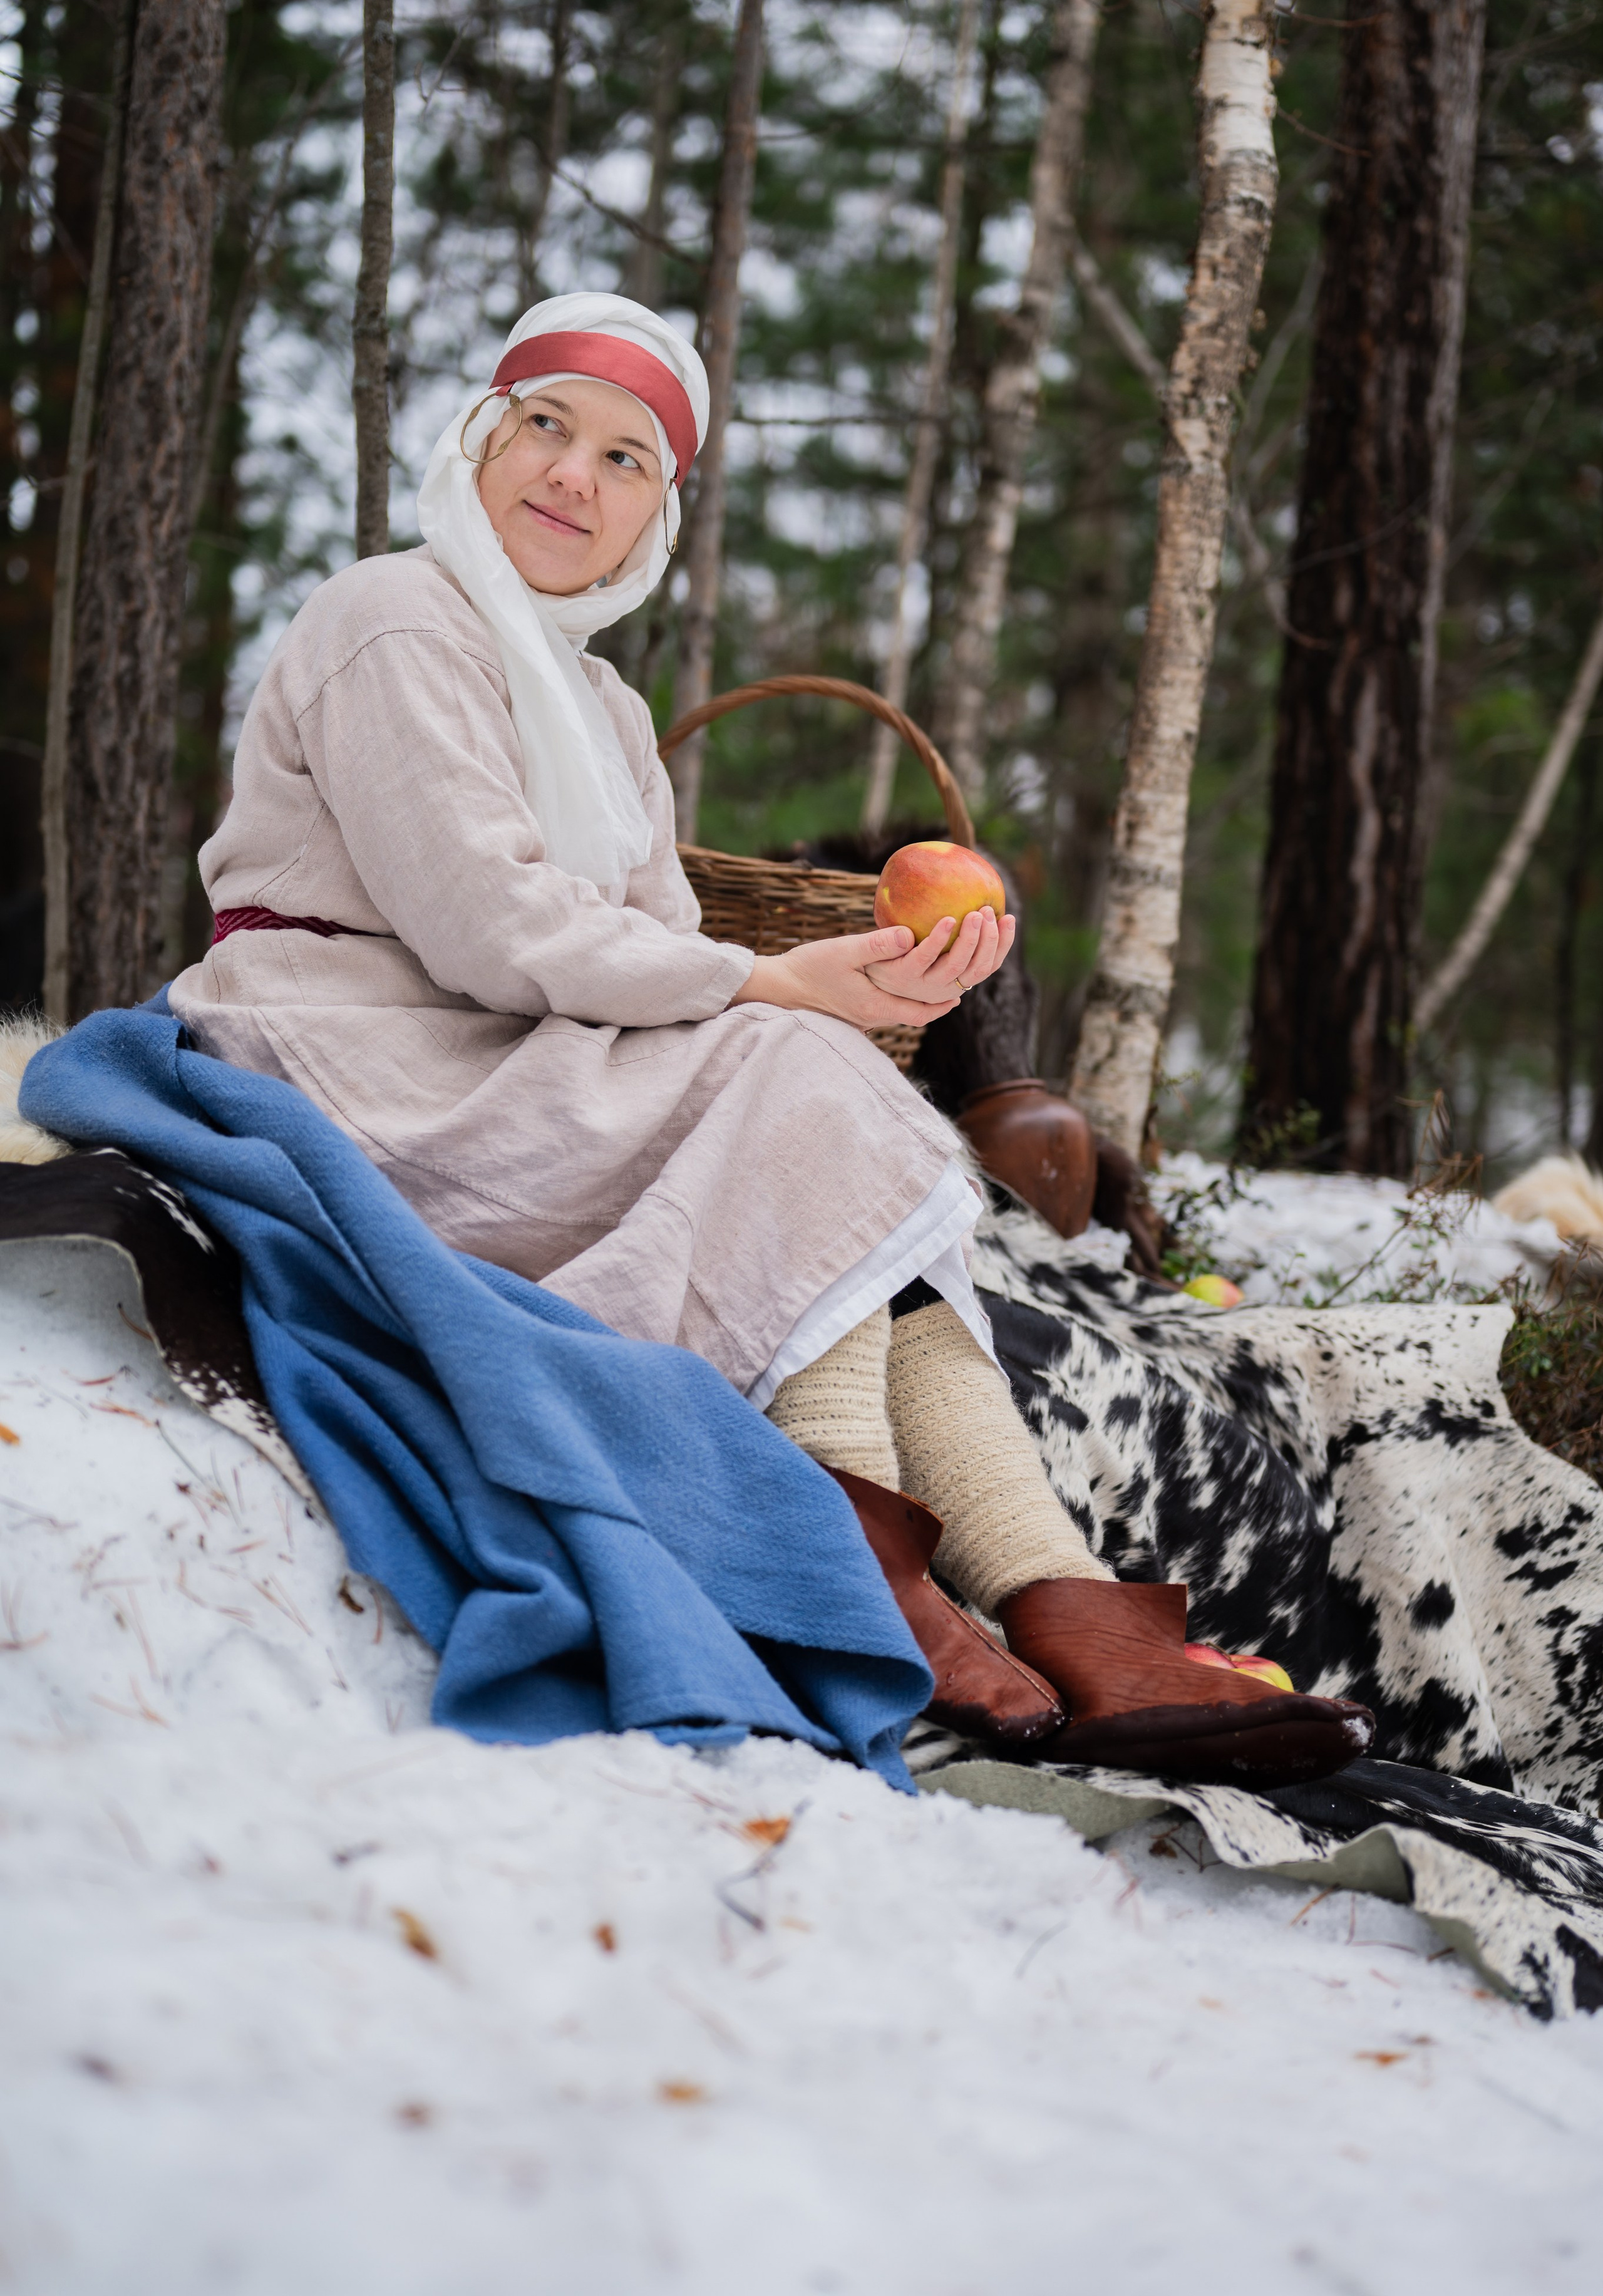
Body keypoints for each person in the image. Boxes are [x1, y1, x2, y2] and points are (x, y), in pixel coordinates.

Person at [167, 292, 1371, 1787]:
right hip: (360, 1048)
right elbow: (489, 923)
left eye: (626, 462)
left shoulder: (602, 709)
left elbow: (660, 946)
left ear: (646, 527)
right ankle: (857, 1562)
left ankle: (1068, 1606)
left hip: (510, 1053)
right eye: (545, 425)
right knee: (790, 1073)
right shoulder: (390, 616)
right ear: (481, 438)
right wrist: (781, 992)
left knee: (813, 1103)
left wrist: (848, 986)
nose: (573, 477)